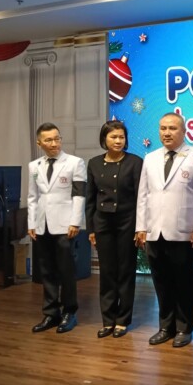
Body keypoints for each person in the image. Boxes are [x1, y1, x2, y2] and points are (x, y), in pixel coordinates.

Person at [136, 113, 193, 348]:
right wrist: (141, 227)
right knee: (161, 282)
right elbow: (143, 195)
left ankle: (184, 327)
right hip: (155, 230)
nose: (166, 133)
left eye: (172, 128)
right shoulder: (150, 158)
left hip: (184, 231)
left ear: (184, 131)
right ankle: (166, 327)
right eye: (163, 128)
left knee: (184, 282)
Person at [86, 121, 143, 338]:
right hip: (103, 223)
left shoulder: (135, 162)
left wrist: (140, 227)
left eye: (121, 137)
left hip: (128, 222)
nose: (118, 141)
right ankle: (108, 320)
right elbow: (90, 199)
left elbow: (141, 198)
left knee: (126, 271)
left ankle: (122, 320)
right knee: (107, 272)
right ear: (104, 139)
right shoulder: (94, 163)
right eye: (113, 137)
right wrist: (91, 229)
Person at [28, 122, 86, 334]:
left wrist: (75, 222)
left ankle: (70, 312)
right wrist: (31, 223)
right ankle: (51, 313)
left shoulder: (74, 162)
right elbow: (32, 196)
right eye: (49, 140)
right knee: (47, 270)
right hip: (42, 224)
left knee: (66, 270)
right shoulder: (34, 166)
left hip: (65, 224)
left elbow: (79, 194)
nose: (54, 143)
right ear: (39, 143)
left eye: (57, 138)